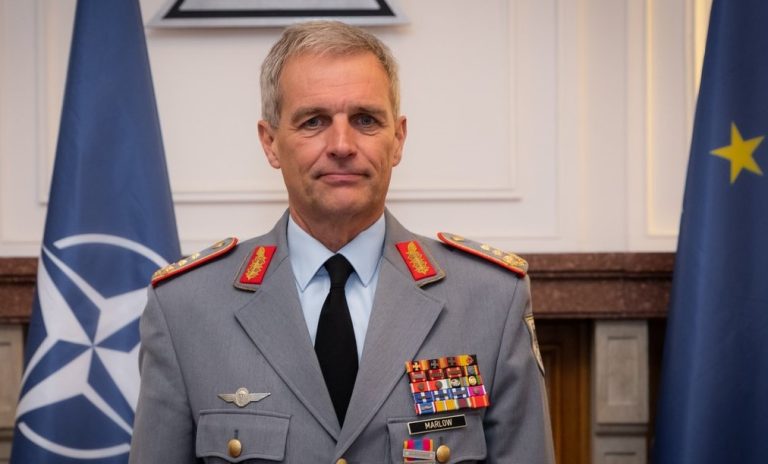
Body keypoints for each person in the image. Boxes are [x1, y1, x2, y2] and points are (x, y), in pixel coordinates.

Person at [129, 21, 555, 464]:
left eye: (365, 120)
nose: (342, 145)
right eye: (313, 121)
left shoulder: (489, 300)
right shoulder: (185, 309)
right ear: (270, 143)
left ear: (398, 139)